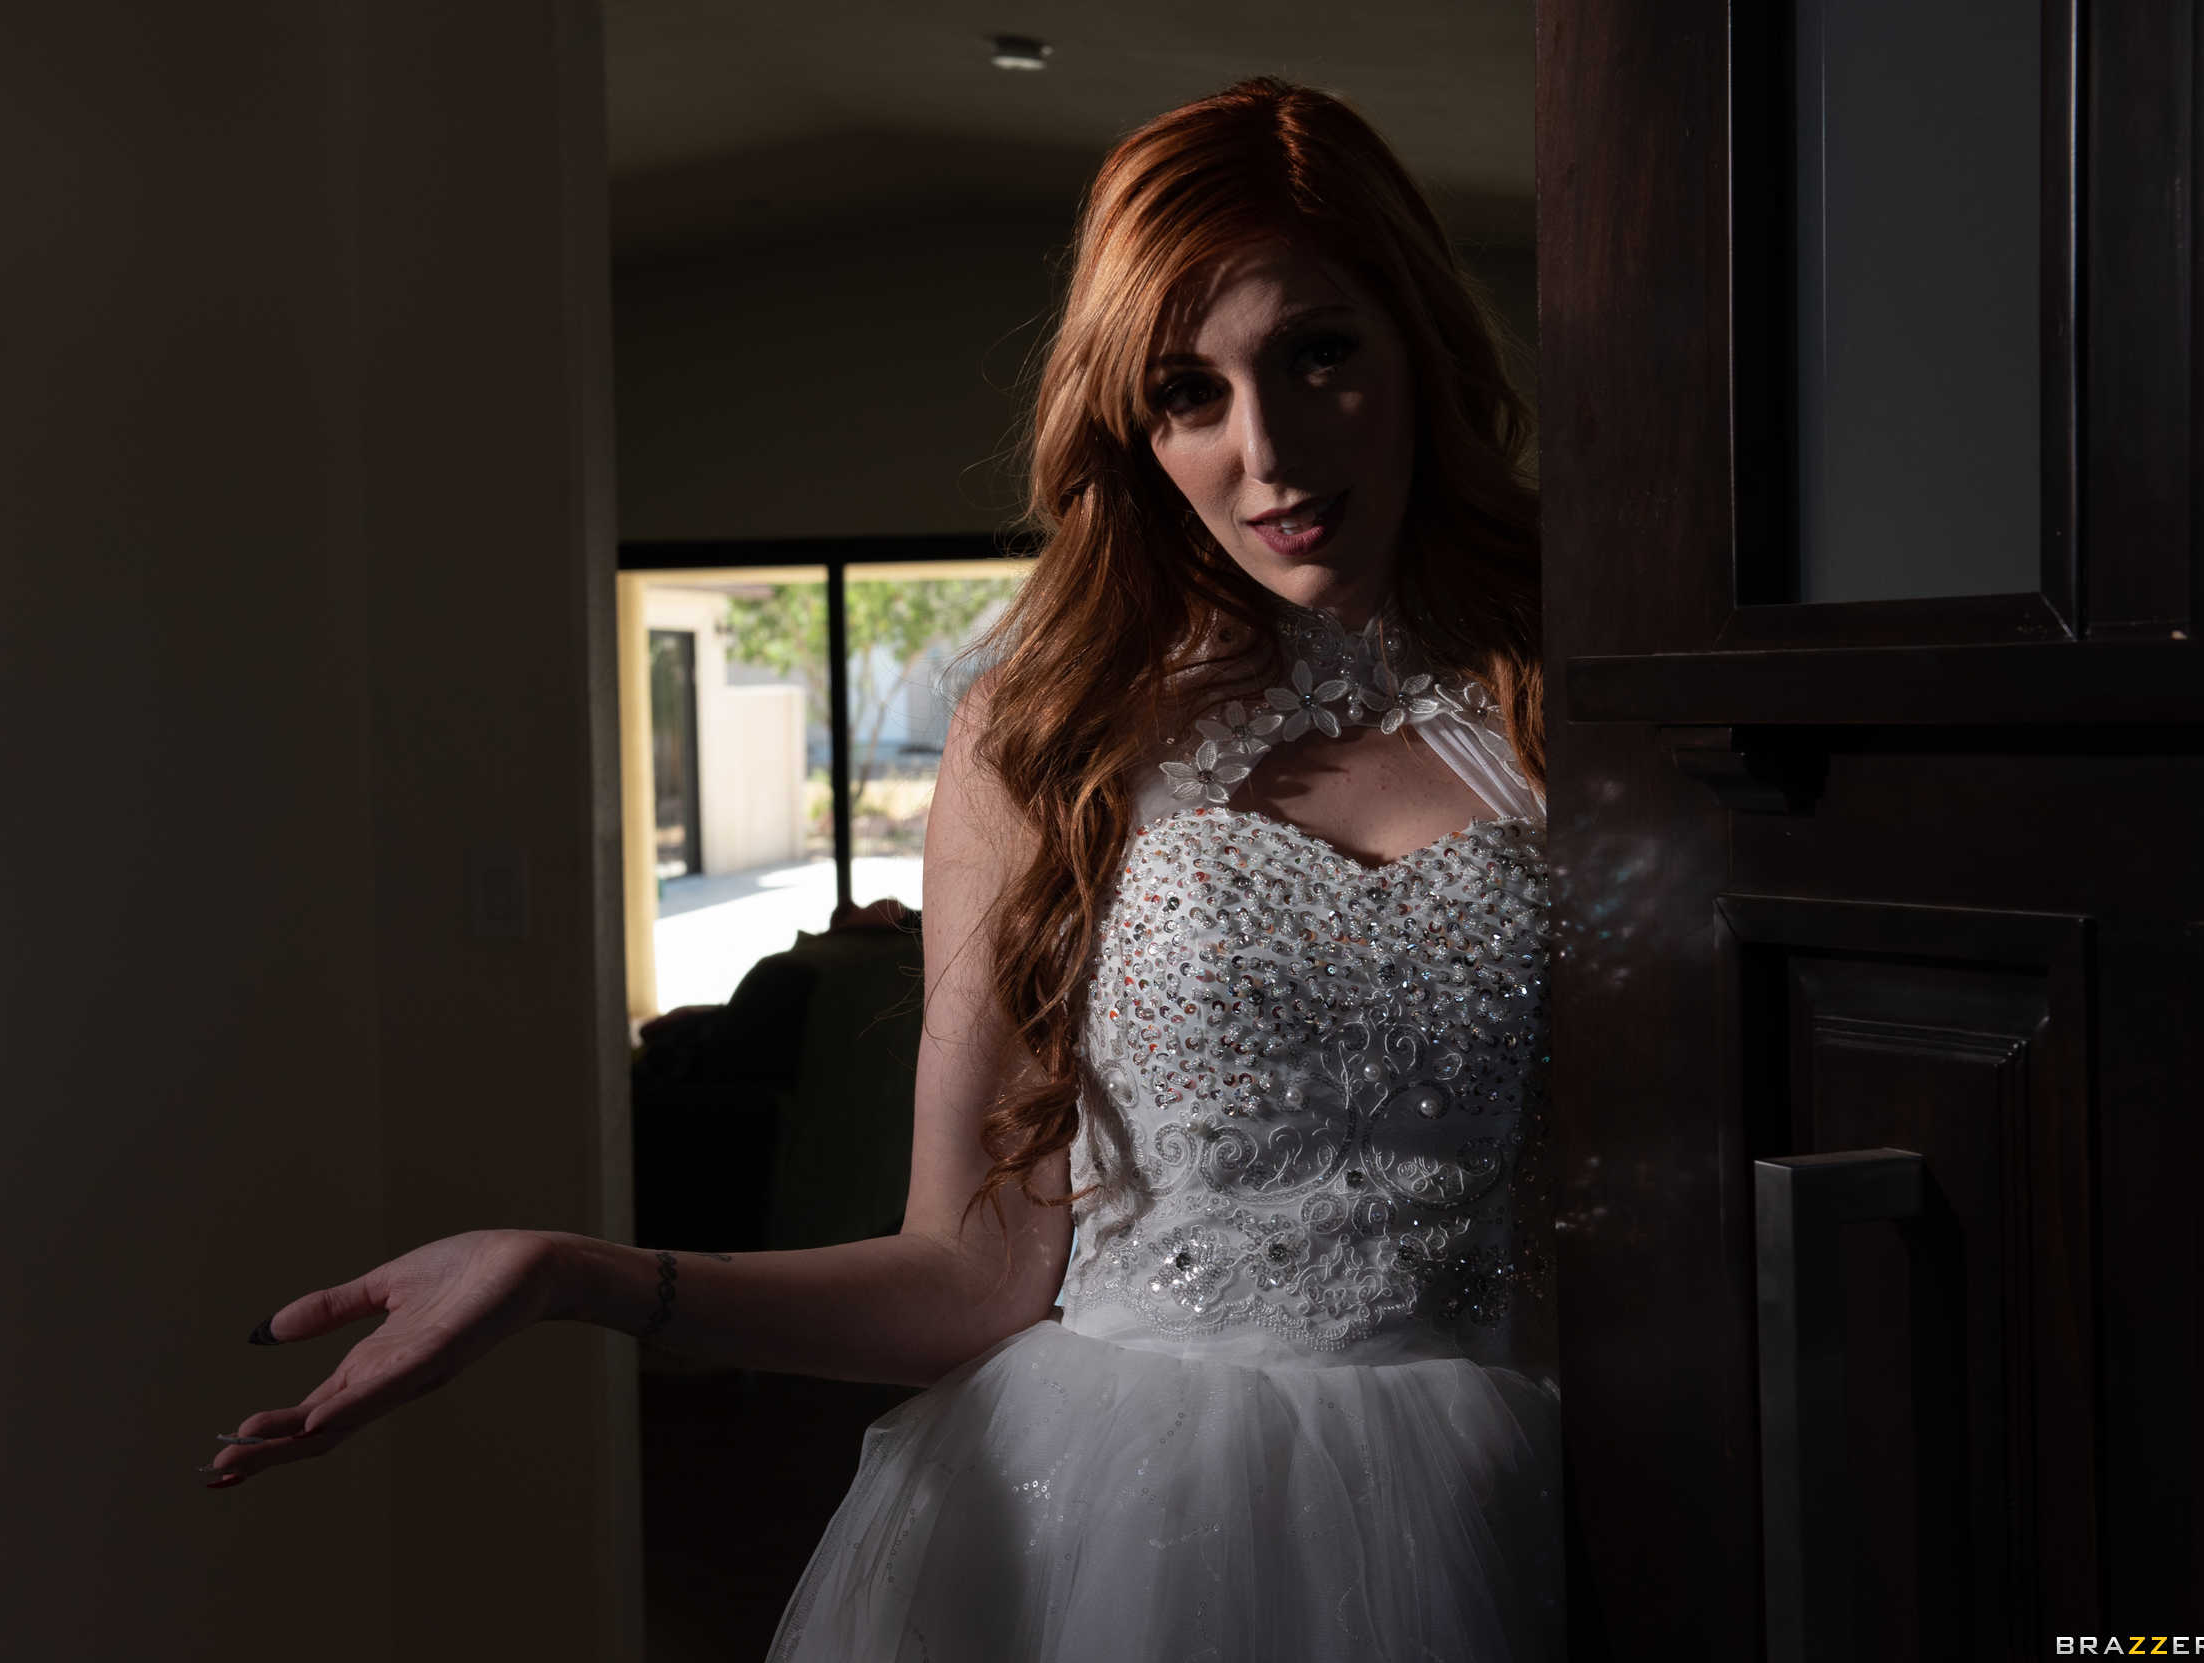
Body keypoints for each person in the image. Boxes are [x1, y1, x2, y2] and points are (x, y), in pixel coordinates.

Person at [209, 75, 1559, 1661]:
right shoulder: (1049, 736)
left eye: (1318, 353)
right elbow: (968, 1278)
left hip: (1530, 1487)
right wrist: (574, 1274)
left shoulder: (1582, 704)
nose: (1265, 451)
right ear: (1133, 430)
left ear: (1417, 340)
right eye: (1188, 393)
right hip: (1131, 1525)